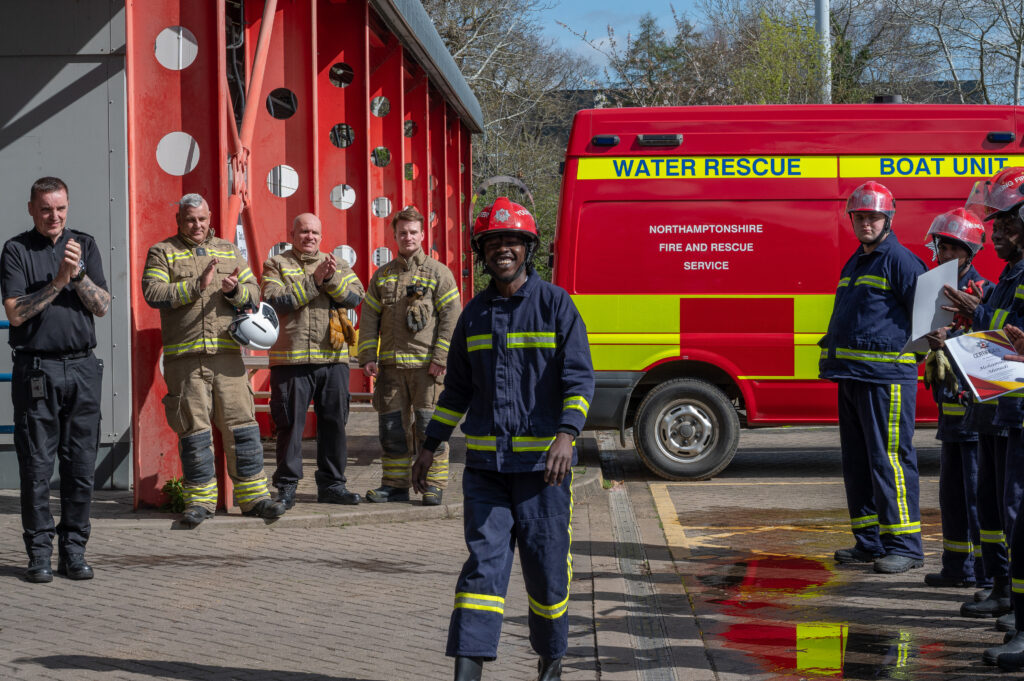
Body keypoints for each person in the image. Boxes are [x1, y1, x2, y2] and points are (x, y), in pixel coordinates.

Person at [412, 197, 594, 681]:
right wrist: (430, 444)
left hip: (543, 477)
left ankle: (551, 663)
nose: (502, 250)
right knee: (482, 572)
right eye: (493, 242)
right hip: (487, 473)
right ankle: (467, 672)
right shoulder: (472, 315)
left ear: (526, 248)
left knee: (547, 575)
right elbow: (457, 390)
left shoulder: (557, 306)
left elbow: (580, 380)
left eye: (511, 241)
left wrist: (567, 436)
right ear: (482, 252)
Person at [141, 193, 286, 527]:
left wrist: (237, 291)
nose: (197, 225)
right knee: (195, 432)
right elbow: (153, 293)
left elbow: (254, 291)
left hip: (227, 356)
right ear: (178, 219)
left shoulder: (229, 250)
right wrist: (196, 285)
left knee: (243, 426)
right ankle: (199, 503)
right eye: (190, 219)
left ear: (211, 219)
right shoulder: (162, 252)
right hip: (186, 359)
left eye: (202, 219)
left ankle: (255, 499)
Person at [1, 176, 110, 583]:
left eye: (61, 208)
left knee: (81, 467)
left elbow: (101, 306)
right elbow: (15, 313)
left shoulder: (85, 244)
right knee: (36, 467)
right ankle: (39, 554)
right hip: (37, 371)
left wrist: (78, 274)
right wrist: (59, 281)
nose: (54, 216)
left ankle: (74, 552)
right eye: (46, 208)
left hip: (82, 368)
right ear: (31, 208)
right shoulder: (16, 250)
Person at [820, 181, 928, 574]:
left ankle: (906, 546)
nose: (866, 223)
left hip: (886, 379)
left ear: (888, 219)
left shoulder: (900, 261)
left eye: (873, 217)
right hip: (852, 376)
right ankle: (869, 542)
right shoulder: (857, 261)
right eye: (860, 217)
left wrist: (919, 358)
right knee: (859, 463)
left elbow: (930, 319)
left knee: (891, 462)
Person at [943, 167, 1024, 626]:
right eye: (995, 225)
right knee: (993, 506)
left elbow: (1012, 338)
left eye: (1007, 224)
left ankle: (1015, 604)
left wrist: (981, 312)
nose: (998, 235)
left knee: (1012, 509)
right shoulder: (1013, 274)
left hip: (1011, 407)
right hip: (996, 406)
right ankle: (1002, 589)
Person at [358, 206, 459, 505]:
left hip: (427, 369)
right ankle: (394, 485)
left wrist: (441, 356)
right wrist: (367, 356)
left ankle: (433, 485)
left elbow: (452, 318)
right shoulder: (383, 276)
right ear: (395, 236)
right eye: (402, 232)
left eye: (413, 232)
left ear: (422, 234)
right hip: (390, 369)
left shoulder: (439, 274)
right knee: (391, 431)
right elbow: (368, 320)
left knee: (431, 429)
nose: (408, 237)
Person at [262, 213, 365, 507]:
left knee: (334, 425)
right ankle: (287, 487)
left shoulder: (338, 265)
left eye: (315, 233)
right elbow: (274, 301)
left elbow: (356, 298)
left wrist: (330, 279)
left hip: (333, 360)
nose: (310, 237)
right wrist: (314, 281)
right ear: (291, 233)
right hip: (290, 361)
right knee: (290, 426)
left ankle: (332, 486)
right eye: (304, 231)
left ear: (322, 236)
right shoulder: (276, 264)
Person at [920, 209, 989, 591]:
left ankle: (983, 574)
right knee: (952, 496)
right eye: (940, 245)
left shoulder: (980, 292)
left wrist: (954, 344)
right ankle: (955, 567)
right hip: (950, 416)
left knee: (978, 498)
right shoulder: (933, 290)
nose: (943, 253)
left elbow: (990, 350)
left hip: (975, 415)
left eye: (951, 247)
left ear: (968, 252)